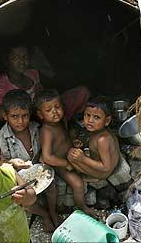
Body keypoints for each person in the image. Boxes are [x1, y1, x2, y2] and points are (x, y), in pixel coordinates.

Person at [0, 89, 61, 232]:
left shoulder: (36, 128)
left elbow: (45, 148)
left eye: (25, 116)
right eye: (14, 116)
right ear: (5, 116)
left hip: (38, 171)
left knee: (51, 185)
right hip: (18, 176)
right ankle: (43, 214)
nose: (21, 121)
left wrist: (44, 156)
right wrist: (12, 163)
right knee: (22, 199)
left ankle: (52, 211)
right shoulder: (1, 137)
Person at [34, 89, 98, 217]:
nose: (55, 112)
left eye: (57, 107)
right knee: (78, 184)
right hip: (60, 164)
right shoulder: (46, 131)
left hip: (71, 156)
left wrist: (74, 141)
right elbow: (47, 157)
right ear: (40, 115)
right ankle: (82, 208)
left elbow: (65, 137)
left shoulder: (61, 121)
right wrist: (65, 163)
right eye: (48, 110)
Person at [0, 45, 89, 123]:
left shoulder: (32, 73)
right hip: (25, 123)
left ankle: (75, 123)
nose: (22, 62)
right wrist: (25, 109)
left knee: (82, 92)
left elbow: (47, 91)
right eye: (16, 58)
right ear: (6, 60)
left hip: (47, 114)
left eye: (24, 57)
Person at [67, 96, 120, 179]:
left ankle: (83, 174)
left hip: (104, 172)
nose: (90, 120)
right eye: (87, 115)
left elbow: (106, 167)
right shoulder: (98, 129)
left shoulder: (102, 140)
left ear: (107, 121)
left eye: (96, 117)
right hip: (104, 161)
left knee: (70, 155)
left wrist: (83, 159)